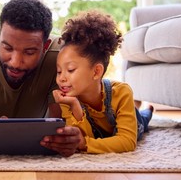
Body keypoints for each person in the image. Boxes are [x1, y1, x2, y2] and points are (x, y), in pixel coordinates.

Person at [0, 0, 82, 157]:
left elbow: (60, 127)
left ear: (45, 46)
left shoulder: (59, 59)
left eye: (29, 52)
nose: (16, 62)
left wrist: (67, 138)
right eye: (7, 47)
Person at [52, 10, 153, 154]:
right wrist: (75, 106)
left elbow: (127, 141)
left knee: (142, 120)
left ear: (96, 72)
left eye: (70, 69)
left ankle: (147, 111)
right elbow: (84, 137)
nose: (61, 78)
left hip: (132, 121)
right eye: (59, 71)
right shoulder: (67, 99)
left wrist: (85, 144)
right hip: (104, 130)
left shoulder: (121, 92)